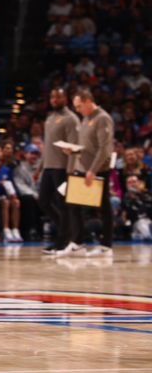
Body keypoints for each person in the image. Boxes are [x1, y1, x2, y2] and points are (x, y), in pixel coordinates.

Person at [58, 88, 115, 257]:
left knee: (103, 207)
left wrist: (93, 170)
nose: (77, 110)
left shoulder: (102, 118)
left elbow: (104, 149)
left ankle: (106, 246)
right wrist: (73, 151)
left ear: (89, 101)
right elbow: (89, 147)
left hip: (98, 170)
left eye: (79, 106)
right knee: (72, 203)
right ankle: (77, 243)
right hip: (83, 168)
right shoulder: (85, 119)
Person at [38, 88, 80, 254]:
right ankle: (67, 229)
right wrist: (40, 167)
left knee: (63, 205)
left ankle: (62, 241)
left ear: (66, 98)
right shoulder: (50, 118)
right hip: (49, 167)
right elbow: (47, 145)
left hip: (62, 168)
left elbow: (74, 146)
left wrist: (71, 170)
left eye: (58, 97)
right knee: (43, 202)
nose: (54, 100)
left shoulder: (70, 119)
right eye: (52, 97)